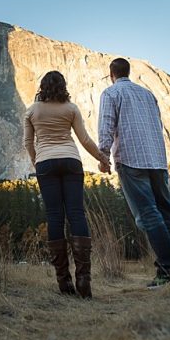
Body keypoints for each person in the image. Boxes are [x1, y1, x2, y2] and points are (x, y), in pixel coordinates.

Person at [98, 58, 170, 288]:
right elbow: (158, 125)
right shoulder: (147, 94)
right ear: (128, 72)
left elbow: (106, 125)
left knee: (148, 214)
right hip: (157, 160)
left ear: (111, 74)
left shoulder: (111, 94)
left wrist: (103, 155)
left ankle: (167, 268)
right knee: (169, 212)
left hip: (132, 160)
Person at [23, 71, 110, 298]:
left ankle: (64, 282)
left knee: (54, 216)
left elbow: (27, 143)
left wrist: (37, 160)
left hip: (45, 163)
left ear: (42, 87)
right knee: (76, 214)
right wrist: (102, 157)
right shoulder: (71, 109)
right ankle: (84, 281)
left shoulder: (32, 110)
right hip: (71, 161)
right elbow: (84, 140)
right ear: (63, 86)